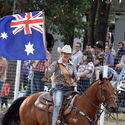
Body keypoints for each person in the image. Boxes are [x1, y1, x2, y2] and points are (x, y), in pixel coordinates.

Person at [45, 45, 78, 125]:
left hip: (70, 89)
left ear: (70, 55)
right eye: (65, 53)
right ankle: (54, 123)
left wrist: (75, 79)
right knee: (58, 104)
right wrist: (46, 69)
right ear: (61, 54)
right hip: (58, 88)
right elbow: (48, 74)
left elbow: (76, 76)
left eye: (68, 54)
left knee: (77, 102)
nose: (66, 55)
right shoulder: (56, 63)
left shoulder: (72, 65)